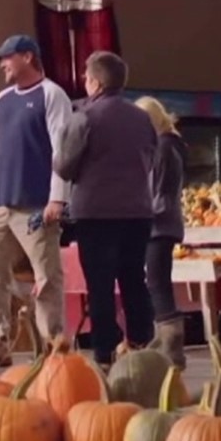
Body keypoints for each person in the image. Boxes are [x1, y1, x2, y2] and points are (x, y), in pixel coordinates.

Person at [0, 34, 74, 366]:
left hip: (36, 207)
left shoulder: (52, 96)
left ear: (28, 57)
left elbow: (63, 151)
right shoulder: (1, 101)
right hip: (0, 204)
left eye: (7, 57)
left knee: (46, 277)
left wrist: (58, 198)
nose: (2, 64)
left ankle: (51, 344)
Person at [54, 51, 157, 367]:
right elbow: (151, 156)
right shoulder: (142, 118)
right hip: (137, 211)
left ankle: (104, 351)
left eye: (86, 77)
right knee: (133, 279)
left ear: (96, 83)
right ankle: (141, 342)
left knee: (100, 284)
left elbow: (65, 166)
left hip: (96, 213)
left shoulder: (84, 117)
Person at [136, 95, 188, 367]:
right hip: (165, 222)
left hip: (158, 224)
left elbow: (158, 192)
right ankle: (165, 337)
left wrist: (139, 213)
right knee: (156, 280)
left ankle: (171, 339)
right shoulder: (171, 145)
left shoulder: (164, 148)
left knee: (157, 281)